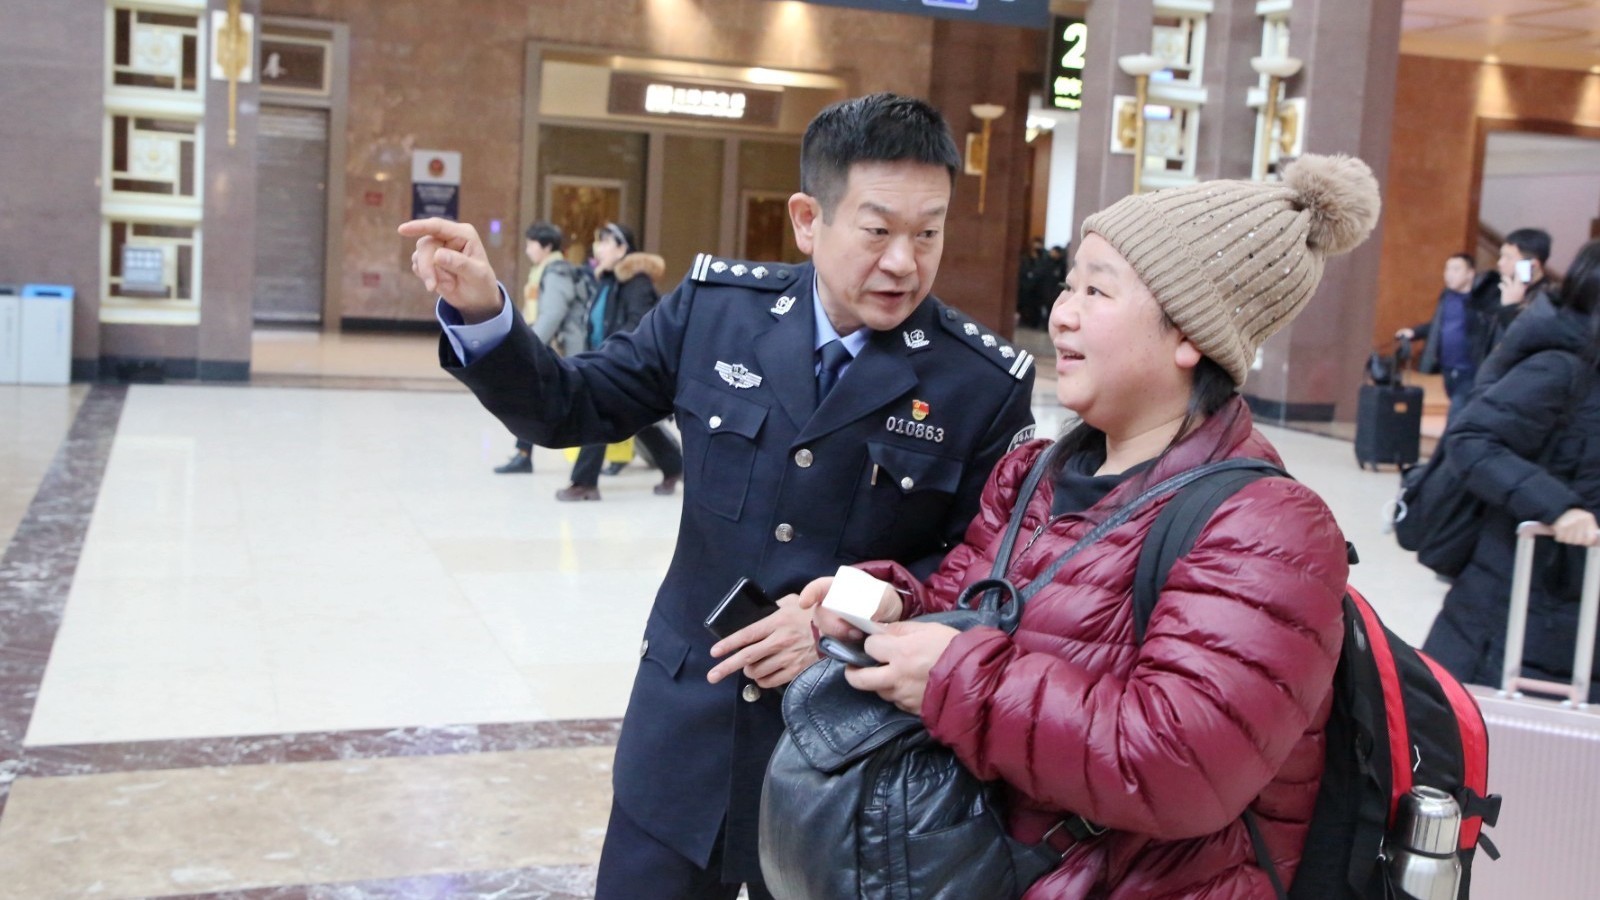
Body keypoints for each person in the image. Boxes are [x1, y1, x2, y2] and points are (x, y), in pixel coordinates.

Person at [399, 92, 1036, 900]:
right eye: (877, 230)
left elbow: (982, 574)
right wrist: (483, 311)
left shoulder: (977, 384)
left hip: (843, 759)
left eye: (929, 233)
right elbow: (573, 406)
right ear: (809, 219)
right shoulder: (715, 311)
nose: (904, 261)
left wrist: (844, 615)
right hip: (684, 730)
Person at [800, 154, 1381, 896]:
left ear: (1189, 335)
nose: (1062, 312)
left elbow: (1181, 766)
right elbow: (962, 605)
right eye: (1069, 285)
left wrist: (950, 677)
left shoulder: (1267, 528)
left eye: (1097, 291)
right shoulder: (1034, 474)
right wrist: (892, 606)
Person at [1421, 238, 1600, 699]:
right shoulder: (1562, 368)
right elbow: (1472, 439)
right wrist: (1559, 508)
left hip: (1578, 603)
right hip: (1518, 598)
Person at [555, 221, 685, 502]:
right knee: (640, 420)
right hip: (611, 358)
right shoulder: (609, 279)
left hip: (634, 362)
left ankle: (584, 483)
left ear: (623, 248)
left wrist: (613, 352)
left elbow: (637, 323)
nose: (597, 248)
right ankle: (674, 465)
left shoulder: (636, 281)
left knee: (598, 411)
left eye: (605, 243)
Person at [495, 221, 586, 474]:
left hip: (558, 349)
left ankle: (667, 458)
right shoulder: (544, 270)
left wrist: (530, 346)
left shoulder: (556, 272)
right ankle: (523, 453)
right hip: (551, 347)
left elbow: (553, 314)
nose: (527, 250)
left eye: (531, 244)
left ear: (546, 246)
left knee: (579, 403)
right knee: (532, 398)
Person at [1394, 252, 1499, 415]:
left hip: (1471, 369)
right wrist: (1413, 333)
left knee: (1457, 411)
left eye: (1456, 269)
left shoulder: (1481, 301)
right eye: (1447, 269)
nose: (1449, 274)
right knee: (1458, 406)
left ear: (1470, 273)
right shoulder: (1446, 296)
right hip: (1448, 368)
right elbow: (1437, 325)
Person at [1486, 227, 1559, 352]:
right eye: (1501, 256)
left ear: (1533, 265)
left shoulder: (1549, 299)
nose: (1500, 263)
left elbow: (1529, 342)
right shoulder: (1502, 287)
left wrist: (1511, 308)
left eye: (1508, 257)